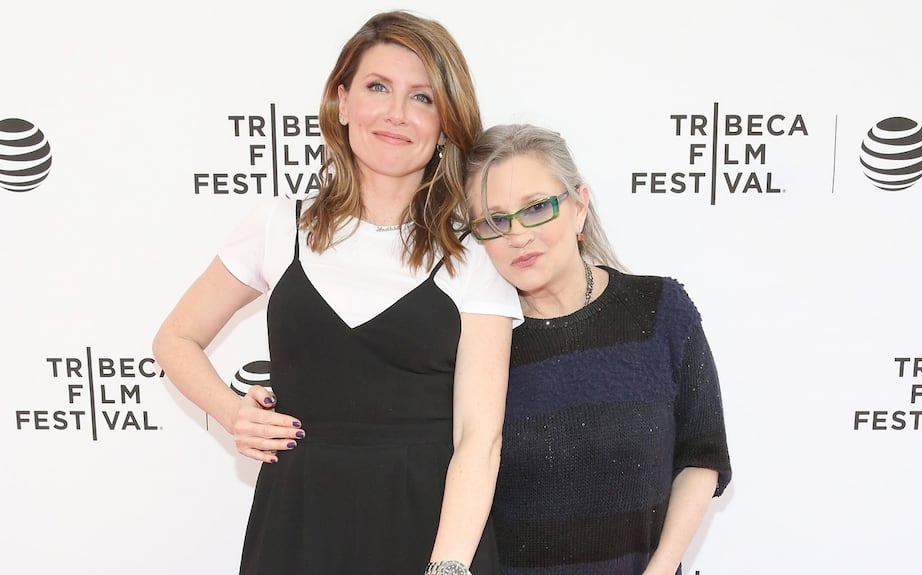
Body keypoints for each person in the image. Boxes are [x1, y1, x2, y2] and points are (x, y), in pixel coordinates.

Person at [153, 11, 521, 575]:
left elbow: (479, 438)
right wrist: (232, 413)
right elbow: (175, 339)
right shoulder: (279, 225)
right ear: (343, 103)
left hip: (428, 531)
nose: (397, 113)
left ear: (446, 122)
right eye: (379, 88)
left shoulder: (474, 255)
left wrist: (447, 567)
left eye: (423, 98)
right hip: (297, 523)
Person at [463, 124, 732, 575]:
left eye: (536, 209)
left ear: (579, 206)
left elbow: (701, 455)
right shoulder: (476, 342)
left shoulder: (659, 310)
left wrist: (662, 568)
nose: (517, 235)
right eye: (494, 220)